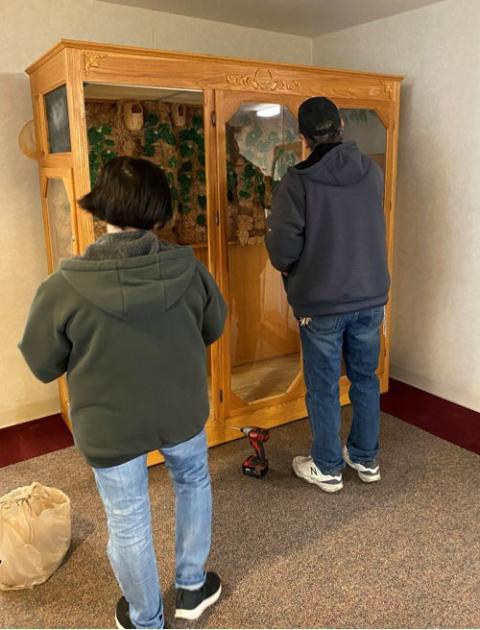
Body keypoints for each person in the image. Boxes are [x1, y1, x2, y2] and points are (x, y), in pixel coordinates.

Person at [19, 157, 226, 628]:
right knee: (193, 482)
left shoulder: (63, 285)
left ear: (102, 210)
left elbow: (41, 362)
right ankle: (192, 587)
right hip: (181, 408)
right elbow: (213, 325)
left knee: (129, 518)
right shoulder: (189, 269)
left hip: (109, 423)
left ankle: (146, 618)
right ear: (160, 213)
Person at [265, 97, 389, 494]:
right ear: (341, 126)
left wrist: (292, 269)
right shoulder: (371, 170)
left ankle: (327, 466)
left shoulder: (297, 181)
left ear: (303, 138)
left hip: (321, 303)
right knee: (365, 378)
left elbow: (282, 250)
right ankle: (366, 459)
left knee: (322, 385)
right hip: (370, 296)